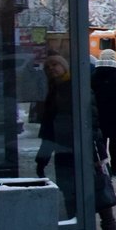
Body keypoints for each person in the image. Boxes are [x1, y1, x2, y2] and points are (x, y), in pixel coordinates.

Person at [36, 55, 77, 215]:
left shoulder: (71, 86)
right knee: (68, 187)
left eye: (55, 64)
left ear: (64, 66)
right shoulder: (54, 88)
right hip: (62, 143)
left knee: (73, 186)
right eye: (48, 67)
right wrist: (42, 157)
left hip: (70, 143)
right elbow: (49, 126)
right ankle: (75, 218)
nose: (51, 68)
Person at [92, 50, 116, 176]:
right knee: (115, 143)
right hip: (115, 113)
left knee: (102, 142)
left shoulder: (94, 74)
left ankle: (104, 167)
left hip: (99, 114)